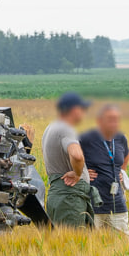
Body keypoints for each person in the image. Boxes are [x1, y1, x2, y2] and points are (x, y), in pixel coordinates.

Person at [42, 92, 101, 228]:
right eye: (82, 109)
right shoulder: (66, 128)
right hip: (70, 197)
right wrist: (77, 173)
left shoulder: (51, 127)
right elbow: (77, 155)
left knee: (63, 243)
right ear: (74, 110)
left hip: (59, 194)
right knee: (73, 242)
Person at [80, 104, 129, 234]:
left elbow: (126, 156)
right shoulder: (86, 138)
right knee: (92, 244)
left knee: (123, 243)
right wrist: (82, 172)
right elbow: (71, 155)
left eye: (117, 119)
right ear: (99, 121)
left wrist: (121, 172)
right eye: (110, 119)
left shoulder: (120, 138)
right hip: (94, 202)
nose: (115, 123)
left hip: (117, 202)